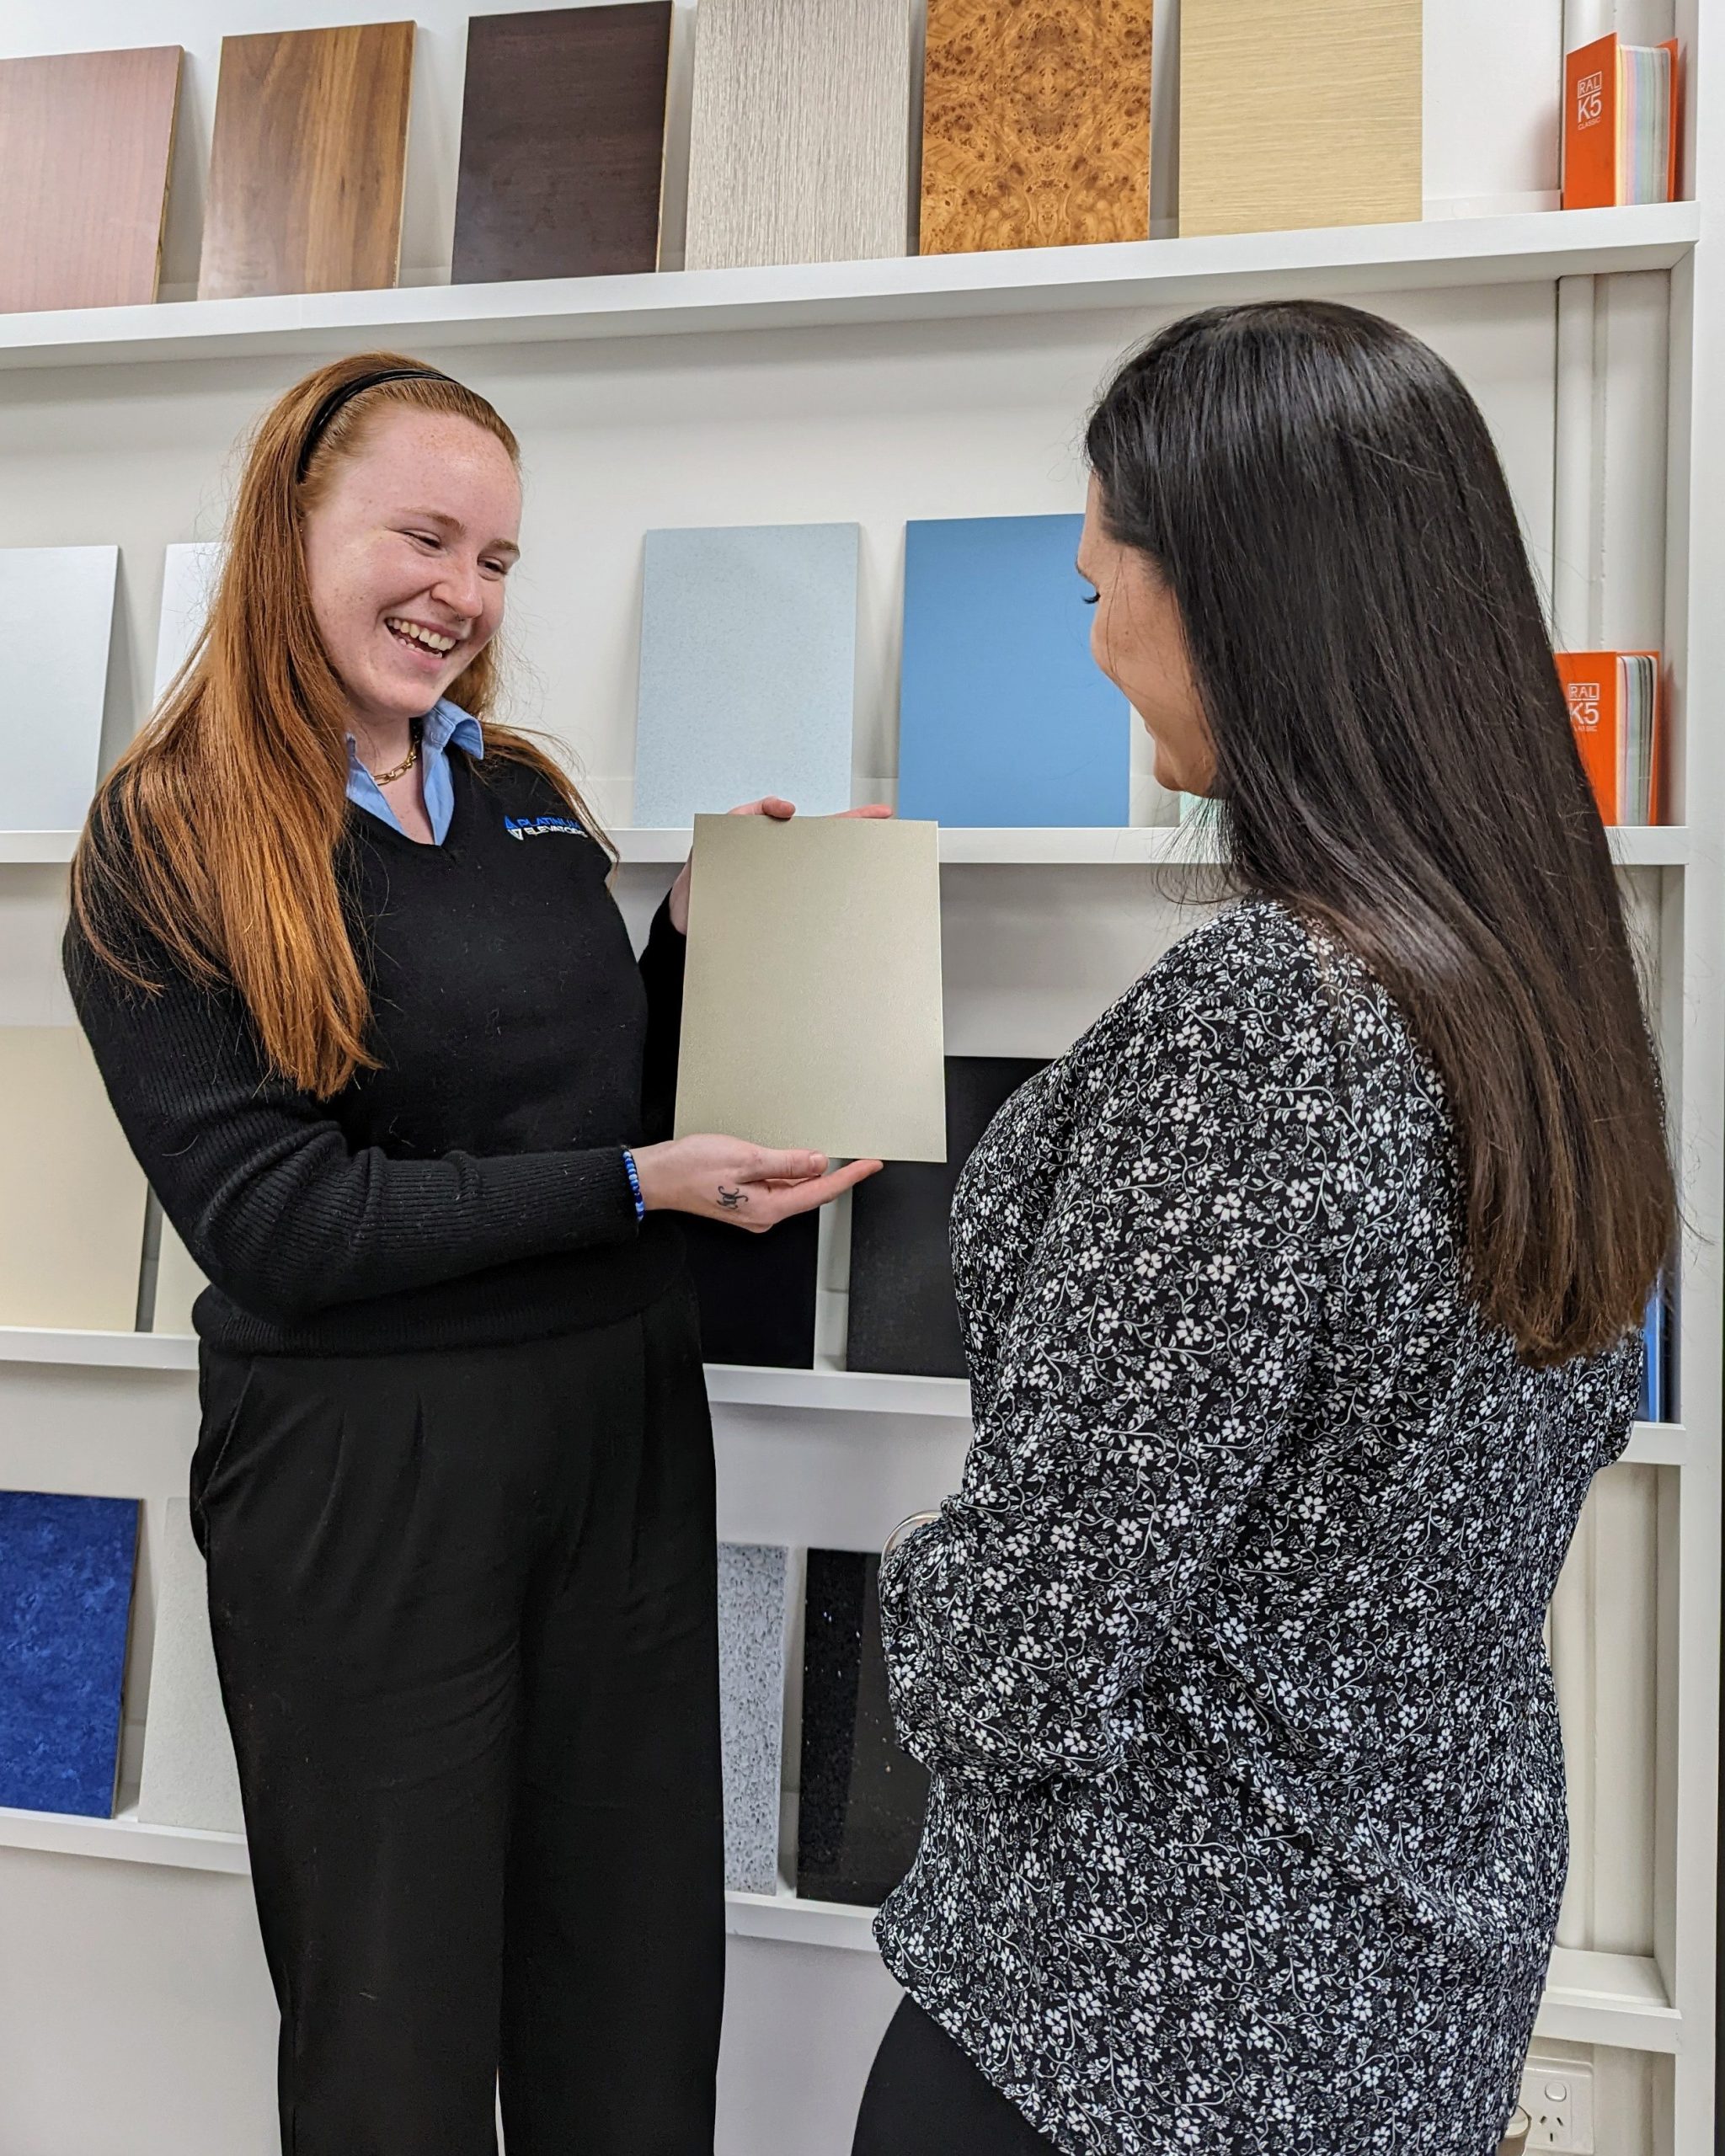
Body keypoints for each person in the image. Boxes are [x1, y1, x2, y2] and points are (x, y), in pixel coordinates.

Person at [853, 301, 1674, 2156]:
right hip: (1406, 1996)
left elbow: (1022, 1649)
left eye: (1099, 579)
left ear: (1236, 589)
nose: (1090, 630)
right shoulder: (1540, 988)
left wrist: (928, 1564)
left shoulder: (1267, 1022)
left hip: (1125, 2025)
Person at [65, 351, 881, 2156]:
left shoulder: (519, 791)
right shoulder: (165, 836)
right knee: (395, 2032)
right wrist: (634, 1181)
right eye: (423, 534)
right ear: (290, 525)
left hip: (616, 1433)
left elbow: (587, 1105)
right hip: (366, 1471)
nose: (462, 591)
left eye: (499, 557)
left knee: (633, 1998)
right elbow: (286, 1221)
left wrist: (713, 944)